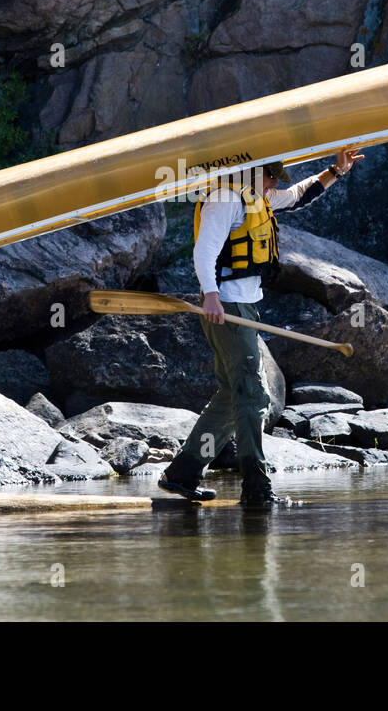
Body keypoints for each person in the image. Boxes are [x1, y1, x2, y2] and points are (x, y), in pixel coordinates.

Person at [158, 147, 364, 508]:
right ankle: (257, 489)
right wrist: (211, 296)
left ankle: (182, 475)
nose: (273, 185)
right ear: (252, 173)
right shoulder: (224, 200)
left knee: (231, 393)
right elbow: (204, 252)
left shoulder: (256, 196)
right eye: (270, 176)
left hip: (244, 308)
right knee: (254, 396)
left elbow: (299, 196)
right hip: (227, 307)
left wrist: (337, 170)